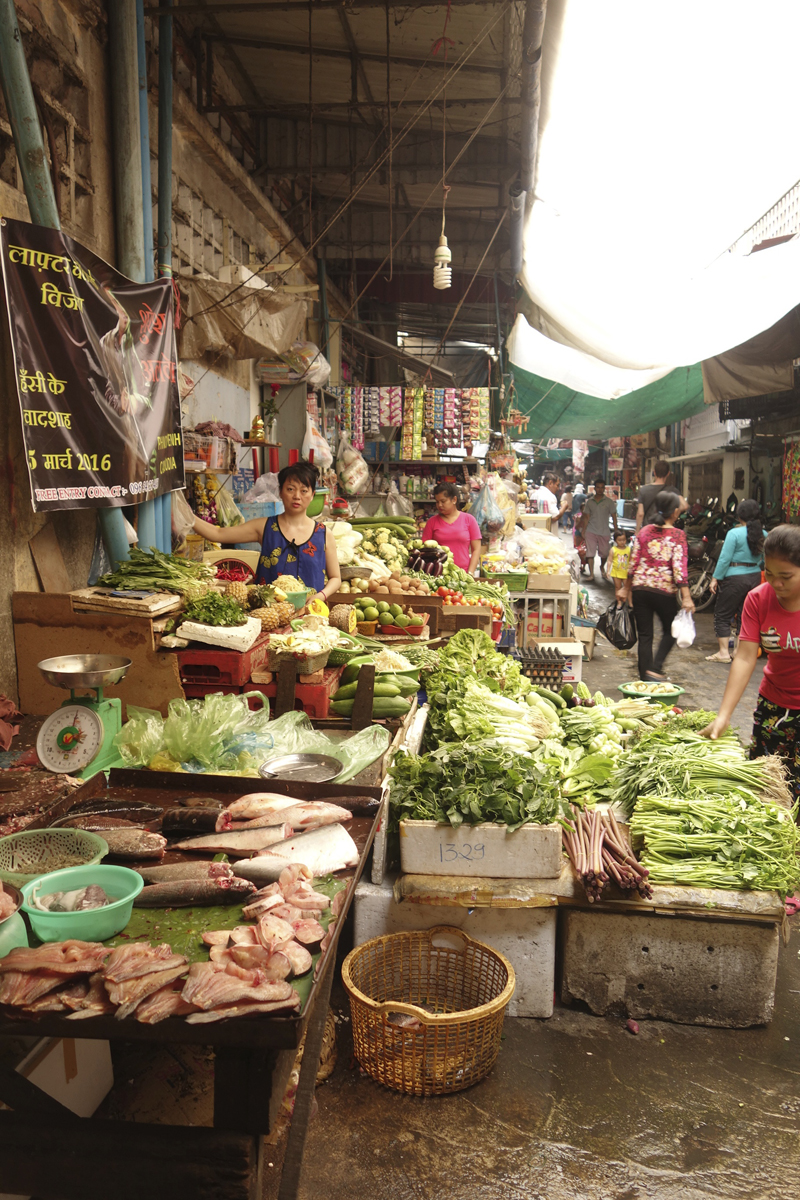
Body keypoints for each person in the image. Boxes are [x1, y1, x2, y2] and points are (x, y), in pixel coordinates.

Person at [702, 526, 800, 800]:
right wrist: (724, 715)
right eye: (769, 573)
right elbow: (745, 657)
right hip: (773, 707)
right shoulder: (758, 599)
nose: (776, 583)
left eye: (786, 576)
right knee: (767, 790)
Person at [191, 460, 341, 606]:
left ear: (312, 495)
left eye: (304, 491)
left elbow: (335, 578)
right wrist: (185, 516)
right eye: (290, 489)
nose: (297, 496)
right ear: (281, 492)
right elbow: (217, 534)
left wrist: (321, 596)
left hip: (311, 616)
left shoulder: (323, 534)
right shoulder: (265, 527)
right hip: (268, 616)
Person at [619, 490, 694, 682]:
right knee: (671, 631)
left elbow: (633, 562)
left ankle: (645, 679)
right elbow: (679, 569)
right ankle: (656, 667)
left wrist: (625, 588)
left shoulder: (644, 531)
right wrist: (686, 597)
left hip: (640, 589)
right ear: (675, 512)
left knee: (645, 636)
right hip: (663, 591)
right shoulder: (678, 535)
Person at [706, 499, 766, 664]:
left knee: (722, 614)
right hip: (754, 577)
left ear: (740, 515)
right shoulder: (764, 534)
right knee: (744, 615)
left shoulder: (734, 533)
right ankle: (738, 651)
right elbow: (763, 560)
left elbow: (724, 559)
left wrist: (715, 578)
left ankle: (723, 652)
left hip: (734, 578)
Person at [423, 481, 481, 574]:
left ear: (454, 500)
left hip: (463, 574)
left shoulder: (469, 520)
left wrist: (470, 573)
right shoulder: (432, 522)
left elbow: (476, 550)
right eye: (437, 502)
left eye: (443, 501)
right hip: (439, 575)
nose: (439, 505)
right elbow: (424, 550)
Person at [578, 477, 618, 581]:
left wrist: (616, 530)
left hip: (604, 531)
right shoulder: (589, 502)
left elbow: (614, 516)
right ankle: (591, 574)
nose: (600, 489)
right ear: (595, 488)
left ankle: (601, 566)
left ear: (604, 488)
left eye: (602, 487)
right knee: (590, 553)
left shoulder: (609, 502)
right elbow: (586, 517)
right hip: (591, 531)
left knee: (604, 553)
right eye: (598, 487)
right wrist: (584, 530)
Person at [635, 460, 688, 534]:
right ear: (668, 474)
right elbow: (684, 506)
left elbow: (640, 514)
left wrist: (637, 530)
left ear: (654, 472)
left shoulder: (644, 490)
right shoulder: (672, 490)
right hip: (666, 531)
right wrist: (674, 514)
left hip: (648, 531)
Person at [608, 530, 631, 601]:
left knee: (628, 588)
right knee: (618, 587)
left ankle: (630, 602)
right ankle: (619, 602)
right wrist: (608, 571)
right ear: (615, 540)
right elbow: (609, 561)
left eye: (624, 540)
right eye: (619, 540)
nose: (622, 542)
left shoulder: (629, 549)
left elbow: (631, 560)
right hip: (616, 572)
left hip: (626, 572)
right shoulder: (613, 550)